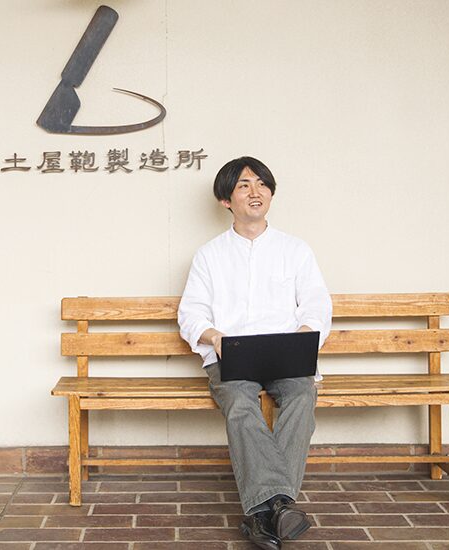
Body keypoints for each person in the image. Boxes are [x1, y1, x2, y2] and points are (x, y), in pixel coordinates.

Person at [177, 156, 332, 549]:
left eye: (262, 183)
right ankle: (279, 507)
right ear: (225, 200)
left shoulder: (295, 250)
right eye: (244, 185)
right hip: (232, 354)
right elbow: (191, 313)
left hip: (286, 352)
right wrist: (215, 337)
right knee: (239, 402)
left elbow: (316, 304)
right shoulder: (209, 255)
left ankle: (263, 514)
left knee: (302, 394)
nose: (255, 191)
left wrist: (304, 334)